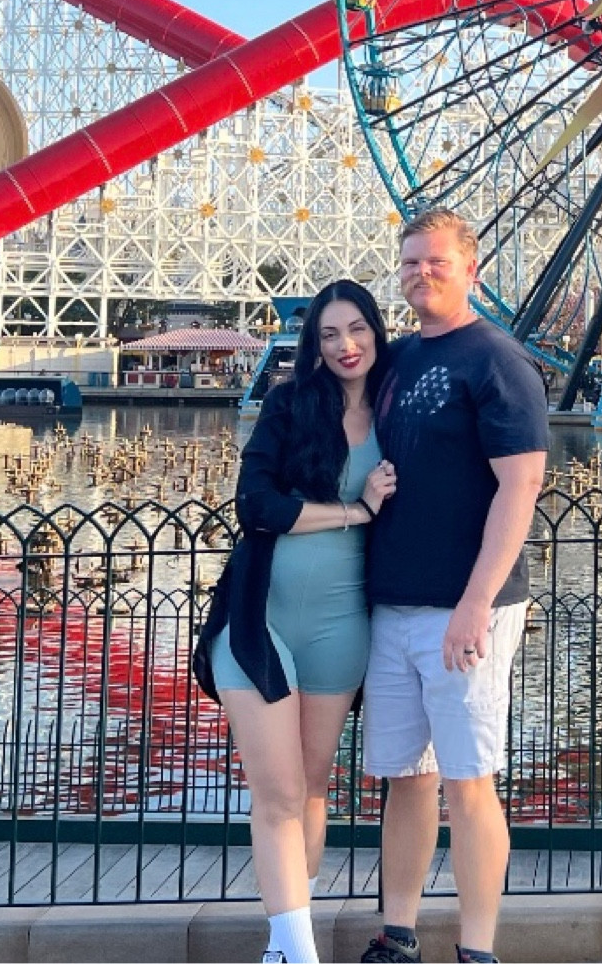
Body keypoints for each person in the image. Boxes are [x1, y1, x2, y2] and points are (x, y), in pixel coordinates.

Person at [359, 211, 548, 964]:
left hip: (466, 608)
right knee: (405, 778)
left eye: (434, 261)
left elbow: (521, 485)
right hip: (394, 599)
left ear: (472, 267)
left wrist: (474, 604)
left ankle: (477, 948)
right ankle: (397, 933)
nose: (418, 273)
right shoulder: (396, 360)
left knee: (470, 780)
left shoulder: (498, 360)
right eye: (408, 262)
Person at [194, 279, 399, 964]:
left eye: (357, 329)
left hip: (343, 624)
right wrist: (354, 512)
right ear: (313, 343)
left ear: (376, 331)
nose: (346, 344)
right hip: (261, 617)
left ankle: (291, 934)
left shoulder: (396, 411)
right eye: (331, 333)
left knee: (314, 787)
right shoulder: (289, 406)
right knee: (279, 791)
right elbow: (257, 505)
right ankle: (295, 951)